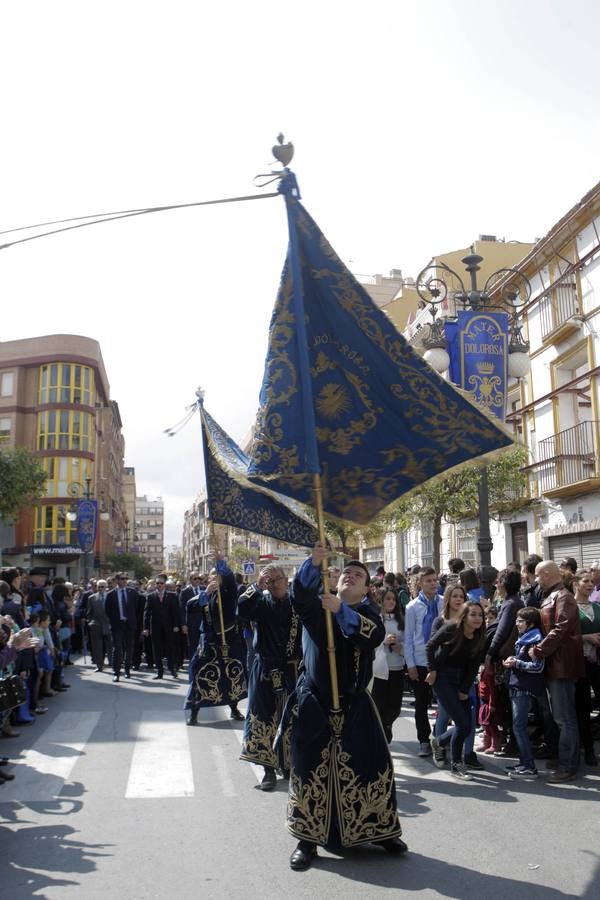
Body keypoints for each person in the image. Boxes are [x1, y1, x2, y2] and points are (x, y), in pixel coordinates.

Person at [284, 545, 405, 872]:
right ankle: (307, 841)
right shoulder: (316, 605)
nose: (350, 576)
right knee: (310, 769)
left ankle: (379, 829)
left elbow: (370, 636)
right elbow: (298, 594)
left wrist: (341, 611)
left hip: (354, 704)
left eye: (358, 576)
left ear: (367, 588)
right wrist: (313, 563)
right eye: (346, 573)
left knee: (369, 765)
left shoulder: (367, 615)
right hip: (316, 702)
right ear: (336, 581)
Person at [238, 564, 302, 790]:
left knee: (291, 718)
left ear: (286, 581)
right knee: (262, 717)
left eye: (278, 578)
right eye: (270, 580)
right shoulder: (260, 603)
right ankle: (267, 770)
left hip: (292, 670)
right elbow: (242, 609)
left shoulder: (297, 604)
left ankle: (287, 764)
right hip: (265, 668)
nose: (274, 583)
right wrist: (256, 585)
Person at [530, 560, 585, 783]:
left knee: (565, 718)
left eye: (537, 575)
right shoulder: (555, 595)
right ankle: (566, 759)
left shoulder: (563, 597)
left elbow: (560, 629)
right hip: (556, 664)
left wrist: (539, 650)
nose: (535, 580)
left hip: (562, 666)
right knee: (561, 717)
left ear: (548, 574)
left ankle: (568, 766)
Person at [426, 603, 486, 780]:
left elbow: (473, 667)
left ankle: (439, 741)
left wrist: (464, 689)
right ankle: (456, 764)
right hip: (442, 678)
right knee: (462, 723)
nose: (477, 618)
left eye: (480, 615)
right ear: (464, 616)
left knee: (467, 725)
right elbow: (430, 646)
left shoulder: (479, 637)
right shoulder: (452, 629)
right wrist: (432, 670)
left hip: (461, 680)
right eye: (473, 614)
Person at [185, 554, 247, 724]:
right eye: (213, 575)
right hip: (209, 643)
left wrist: (221, 562)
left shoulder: (228, 592)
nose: (215, 577)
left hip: (228, 641)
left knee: (231, 675)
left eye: (217, 575)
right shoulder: (205, 594)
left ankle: (234, 709)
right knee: (199, 675)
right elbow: (191, 607)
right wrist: (206, 593)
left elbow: (228, 578)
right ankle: (194, 713)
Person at [502, 606, 545, 780]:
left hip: (524, 687)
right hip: (517, 685)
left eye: (520, 621)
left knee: (519, 727)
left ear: (531, 623)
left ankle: (529, 766)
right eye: (517, 620)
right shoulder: (525, 638)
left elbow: (538, 667)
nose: (517, 624)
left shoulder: (535, 640)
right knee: (517, 726)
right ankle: (523, 762)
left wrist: (516, 663)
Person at [404, 567, 443, 757]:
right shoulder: (412, 607)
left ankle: (440, 736)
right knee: (421, 703)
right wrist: (410, 663)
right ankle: (423, 740)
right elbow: (409, 637)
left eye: (435, 580)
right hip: (420, 661)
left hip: (441, 660)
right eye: (428, 580)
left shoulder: (444, 603)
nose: (433, 583)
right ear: (420, 583)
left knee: (444, 701)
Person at [572, 569, 600, 766]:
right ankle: (588, 749)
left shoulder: (597, 607)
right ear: (576, 583)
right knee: (582, 707)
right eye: (586, 581)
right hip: (578, 663)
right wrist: (586, 638)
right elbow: (564, 637)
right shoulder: (570, 607)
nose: (590, 585)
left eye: (592, 582)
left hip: (597, 662)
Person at [371, 587, 405, 744]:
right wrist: (383, 642)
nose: (391, 602)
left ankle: (387, 725)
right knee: (379, 704)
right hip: (380, 670)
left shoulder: (401, 620)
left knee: (395, 707)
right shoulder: (376, 619)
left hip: (397, 668)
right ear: (381, 601)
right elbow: (370, 642)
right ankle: (381, 733)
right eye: (387, 599)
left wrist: (400, 647)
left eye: (393, 599)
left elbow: (408, 642)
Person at [143, 574, 181, 679]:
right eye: (157, 583)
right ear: (155, 584)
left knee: (170, 649)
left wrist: (177, 625)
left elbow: (176, 612)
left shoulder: (172, 596)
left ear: (165, 584)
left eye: (161, 583)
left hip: (169, 627)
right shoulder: (150, 596)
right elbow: (146, 613)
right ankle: (159, 672)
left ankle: (172, 669)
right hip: (155, 628)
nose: (159, 585)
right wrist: (146, 628)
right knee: (157, 650)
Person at [106, 574, 139, 682]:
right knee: (117, 649)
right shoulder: (111, 594)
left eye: (126, 579)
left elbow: (136, 608)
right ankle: (116, 672)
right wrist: (112, 622)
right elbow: (107, 611)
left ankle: (127, 670)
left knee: (129, 648)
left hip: (129, 625)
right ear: (116, 580)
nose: (125, 581)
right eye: (122, 579)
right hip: (117, 625)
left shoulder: (132, 592)